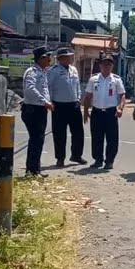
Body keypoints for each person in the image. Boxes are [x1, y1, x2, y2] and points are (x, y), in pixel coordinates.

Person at [83, 54, 125, 170]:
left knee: (112, 138)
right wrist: (85, 112)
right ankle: (98, 160)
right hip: (97, 112)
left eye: (109, 64)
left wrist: (120, 108)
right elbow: (88, 96)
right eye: (104, 64)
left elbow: (122, 95)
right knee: (97, 137)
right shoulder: (93, 79)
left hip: (111, 112)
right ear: (100, 65)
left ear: (112, 66)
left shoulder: (116, 80)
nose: (106, 66)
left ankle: (109, 161)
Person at [48, 47, 87, 167]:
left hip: (74, 104)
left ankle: (76, 155)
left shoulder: (73, 69)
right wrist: (50, 102)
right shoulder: (53, 71)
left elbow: (77, 86)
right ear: (61, 58)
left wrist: (79, 98)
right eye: (68, 56)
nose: (71, 58)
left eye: (71, 56)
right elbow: (48, 88)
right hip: (59, 105)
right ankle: (60, 158)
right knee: (59, 133)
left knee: (78, 132)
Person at [21, 46, 54, 177]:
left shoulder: (43, 72)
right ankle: (32, 170)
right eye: (47, 57)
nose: (50, 59)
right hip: (33, 110)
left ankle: (34, 169)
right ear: (41, 58)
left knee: (38, 139)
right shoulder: (32, 71)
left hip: (39, 109)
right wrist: (44, 101)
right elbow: (30, 89)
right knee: (36, 139)